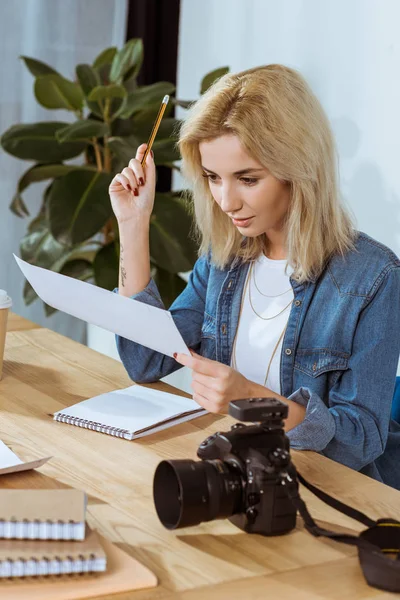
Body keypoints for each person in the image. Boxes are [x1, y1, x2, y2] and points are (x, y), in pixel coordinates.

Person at [109, 64, 400, 489]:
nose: (226, 200)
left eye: (247, 179)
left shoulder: (372, 279)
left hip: (321, 493)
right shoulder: (225, 261)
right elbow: (145, 361)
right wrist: (134, 224)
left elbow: (360, 442)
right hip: (234, 474)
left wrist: (250, 397)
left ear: (297, 169)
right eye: (212, 178)